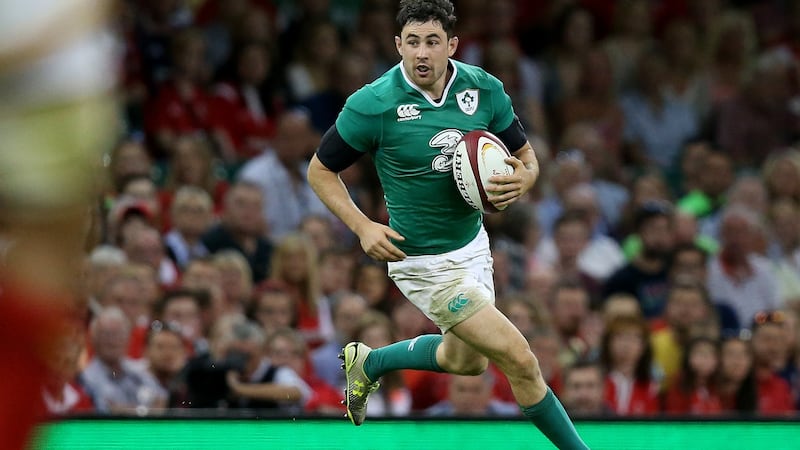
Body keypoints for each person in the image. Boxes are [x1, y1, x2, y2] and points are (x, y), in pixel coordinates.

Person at [306, 1, 588, 448]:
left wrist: (523, 180)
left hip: (472, 246)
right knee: (520, 359)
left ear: (452, 45)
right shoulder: (373, 103)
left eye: (432, 42)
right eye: (412, 42)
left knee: (468, 361)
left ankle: (371, 363)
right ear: (397, 44)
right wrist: (362, 226)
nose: (421, 53)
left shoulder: (484, 89)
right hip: (420, 260)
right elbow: (320, 171)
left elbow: (528, 157)